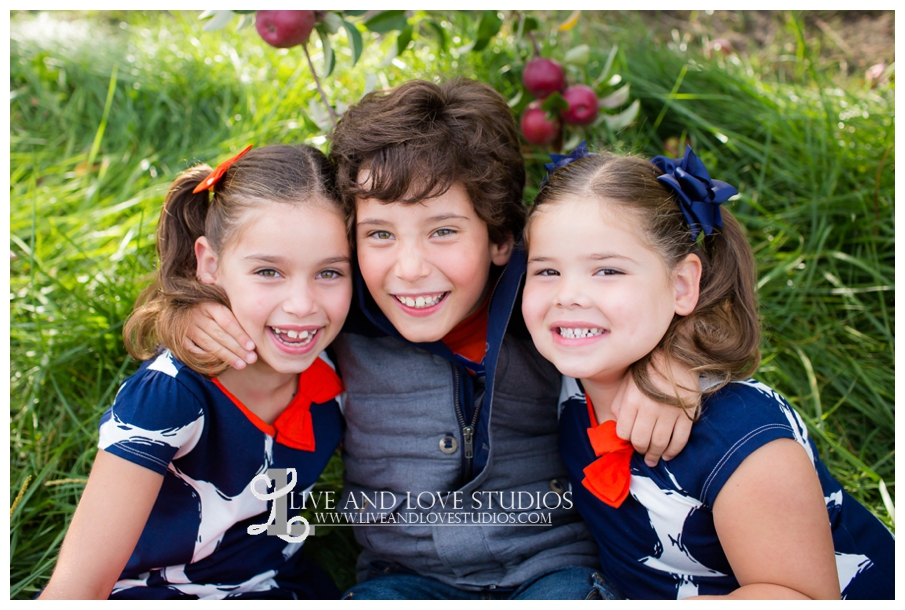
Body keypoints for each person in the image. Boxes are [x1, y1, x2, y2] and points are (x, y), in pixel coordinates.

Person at [185, 79, 696, 600]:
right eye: (380, 233)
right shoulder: (340, 308)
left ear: (500, 237)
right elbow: (259, 279)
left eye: (443, 231)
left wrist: (673, 359)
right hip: (401, 577)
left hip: (551, 568)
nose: (409, 269)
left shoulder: (546, 304)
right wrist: (183, 314)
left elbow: (655, 292)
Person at [520, 143, 895, 600]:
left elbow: (802, 598)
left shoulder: (741, 437)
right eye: (547, 272)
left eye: (608, 271)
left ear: (681, 285)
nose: (569, 295)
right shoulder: (560, 370)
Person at [39, 144, 353, 599]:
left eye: (329, 273)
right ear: (210, 264)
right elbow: (76, 588)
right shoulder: (170, 397)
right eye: (268, 271)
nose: (303, 305)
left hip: (277, 586)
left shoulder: (335, 366)